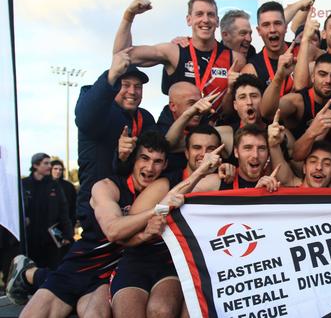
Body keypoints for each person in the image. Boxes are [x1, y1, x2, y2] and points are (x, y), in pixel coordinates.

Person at [9, 132, 183, 318]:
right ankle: (28, 274)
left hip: (112, 273)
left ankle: (30, 274)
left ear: (164, 165)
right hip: (82, 262)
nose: (150, 167)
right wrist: (158, 209)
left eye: (157, 161)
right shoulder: (107, 186)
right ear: (134, 159)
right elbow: (113, 230)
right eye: (144, 158)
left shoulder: (164, 189)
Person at [109, 129, 224, 318]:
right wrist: (146, 233)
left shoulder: (224, 179)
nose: (204, 154)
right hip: (136, 261)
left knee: (161, 310)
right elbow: (123, 235)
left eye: (211, 148)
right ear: (186, 153)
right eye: (197, 148)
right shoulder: (164, 183)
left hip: (173, 265)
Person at [113, 0, 245, 112]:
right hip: (179, 130)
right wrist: (129, 15)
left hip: (214, 130)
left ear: (217, 21)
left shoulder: (235, 59)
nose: (205, 19)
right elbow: (121, 55)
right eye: (199, 14)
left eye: (210, 14)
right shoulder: (173, 52)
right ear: (189, 20)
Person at [75, 52, 156, 237]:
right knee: (88, 261)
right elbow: (86, 116)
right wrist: (110, 77)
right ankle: (29, 268)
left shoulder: (145, 117)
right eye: (125, 85)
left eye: (138, 87)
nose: (132, 92)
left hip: (130, 206)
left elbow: (161, 148)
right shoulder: (101, 110)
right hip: (97, 206)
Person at [21, 154, 73, 270]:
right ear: (35, 165)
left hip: (50, 238)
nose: (50, 166)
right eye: (46, 163)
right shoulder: (23, 184)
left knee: (51, 270)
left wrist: (68, 234)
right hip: (30, 238)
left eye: (50, 163)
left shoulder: (54, 185)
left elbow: (63, 211)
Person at [218, 125, 280, 191]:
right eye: (248, 148)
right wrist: (205, 168)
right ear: (236, 152)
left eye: (261, 148)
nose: (255, 155)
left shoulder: (277, 183)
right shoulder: (219, 181)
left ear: (268, 153)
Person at [50, 160, 77, 230]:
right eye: (55, 169)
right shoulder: (44, 186)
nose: (58, 171)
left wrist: (72, 223)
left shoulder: (69, 186)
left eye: (60, 169)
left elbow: (74, 206)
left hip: (65, 223)